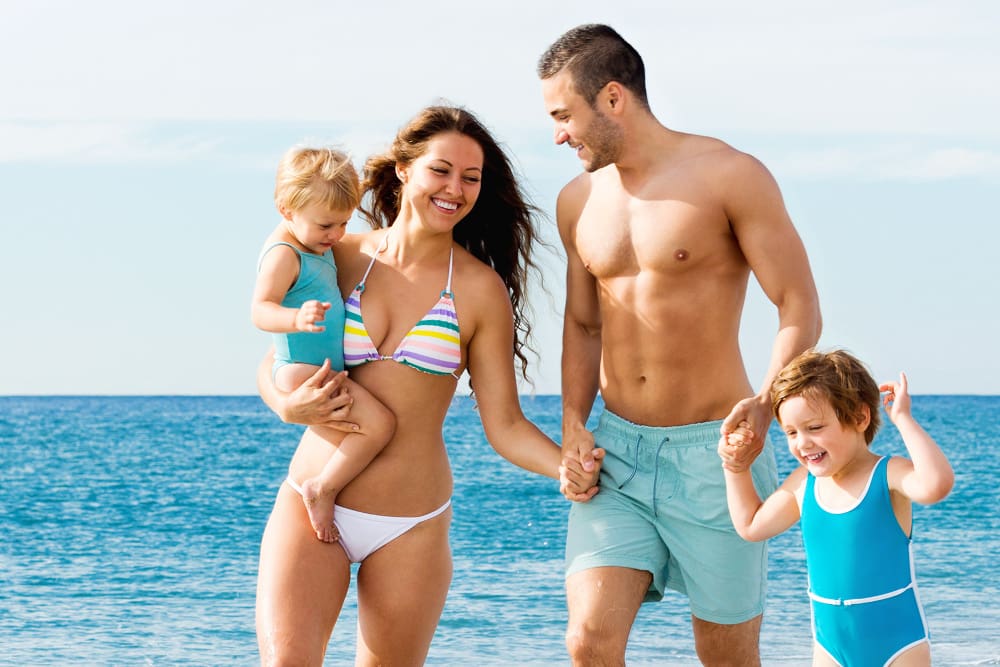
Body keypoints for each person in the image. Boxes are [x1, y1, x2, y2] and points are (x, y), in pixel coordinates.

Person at [253, 106, 599, 666]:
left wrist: (564, 465)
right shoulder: (339, 255)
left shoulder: (480, 291)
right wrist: (285, 404)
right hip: (311, 498)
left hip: (409, 524)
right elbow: (275, 357)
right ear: (404, 170)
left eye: (471, 178)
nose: (455, 189)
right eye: (441, 170)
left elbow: (505, 425)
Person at [537, 24, 823, 666]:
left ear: (613, 98)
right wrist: (573, 424)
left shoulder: (730, 175)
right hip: (619, 456)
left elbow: (798, 303)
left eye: (564, 115)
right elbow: (583, 327)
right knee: (587, 642)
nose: (558, 135)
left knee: (724, 655)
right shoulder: (576, 201)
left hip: (717, 454)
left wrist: (764, 401)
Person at [720, 349, 953, 666]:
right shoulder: (804, 484)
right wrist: (736, 469)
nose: (802, 443)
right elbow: (751, 526)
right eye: (791, 432)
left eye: (814, 428)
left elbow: (936, 485)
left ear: (860, 417)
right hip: (830, 648)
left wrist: (903, 420)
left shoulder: (887, 475)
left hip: (899, 646)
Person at [251, 146, 395, 543]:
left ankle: (325, 485)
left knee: (359, 425)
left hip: (314, 367)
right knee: (380, 425)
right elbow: (260, 310)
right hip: (301, 370)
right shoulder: (285, 254)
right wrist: (293, 318)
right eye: (325, 226)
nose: (335, 236)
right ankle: (322, 487)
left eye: (343, 224)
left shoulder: (316, 243)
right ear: (286, 209)